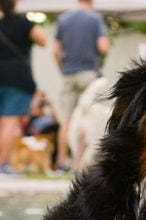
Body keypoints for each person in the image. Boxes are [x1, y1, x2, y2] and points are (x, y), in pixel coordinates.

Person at [0, 0, 46, 179]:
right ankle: (2, 166)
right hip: (17, 77)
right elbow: (42, 41)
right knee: (9, 122)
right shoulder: (24, 23)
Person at [53, 0, 109, 173]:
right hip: (88, 74)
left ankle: (62, 163)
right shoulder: (95, 19)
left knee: (67, 120)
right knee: (88, 117)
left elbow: (55, 51)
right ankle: (81, 164)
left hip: (68, 74)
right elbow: (103, 47)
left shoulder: (63, 19)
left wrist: (63, 68)